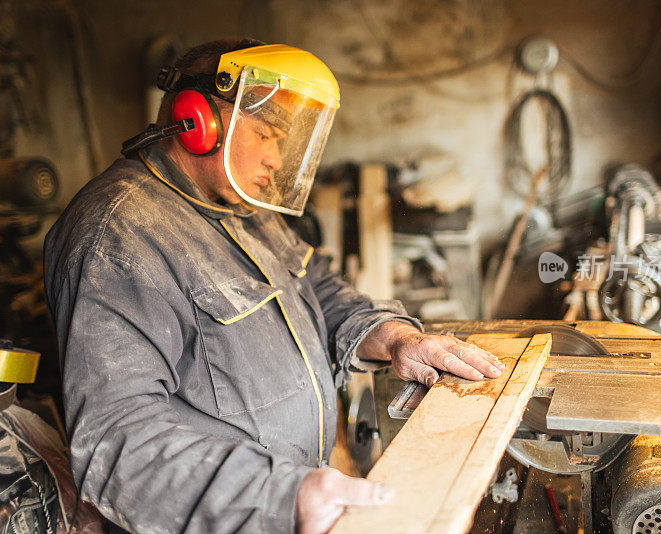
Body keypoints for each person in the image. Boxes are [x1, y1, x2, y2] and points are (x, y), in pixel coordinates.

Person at [43, 39, 505, 534]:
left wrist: (395, 337)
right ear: (197, 122)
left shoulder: (243, 210)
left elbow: (320, 288)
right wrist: (282, 496)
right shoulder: (118, 234)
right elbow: (118, 445)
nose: (276, 159)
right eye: (265, 134)